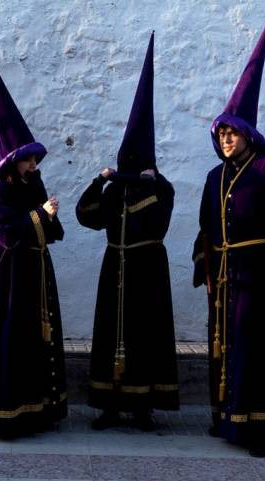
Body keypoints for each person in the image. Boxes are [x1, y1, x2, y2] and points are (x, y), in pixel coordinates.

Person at [192, 19, 265, 457]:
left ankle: (260, 429)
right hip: (224, 278)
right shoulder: (213, 176)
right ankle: (226, 418)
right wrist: (204, 266)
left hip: (259, 278)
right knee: (224, 349)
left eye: (233, 132)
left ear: (248, 134)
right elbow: (206, 226)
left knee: (256, 350)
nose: (226, 139)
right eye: (221, 133)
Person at [0, 27, 67, 438]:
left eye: (36, 160)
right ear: (12, 161)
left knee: (30, 345)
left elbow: (52, 233)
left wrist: (45, 212)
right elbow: (10, 234)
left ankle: (37, 411)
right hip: (3, 278)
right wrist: (41, 214)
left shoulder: (27, 187)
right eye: (28, 160)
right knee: (6, 340)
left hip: (31, 276)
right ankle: (1, 414)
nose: (33, 166)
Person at [76, 33, 179, 431]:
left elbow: (160, 223)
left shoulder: (160, 189)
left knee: (145, 335)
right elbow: (88, 217)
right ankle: (109, 404)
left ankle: (143, 407)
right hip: (115, 266)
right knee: (109, 335)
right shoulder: (115, 189)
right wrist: (97, 181)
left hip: (147, 267)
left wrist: (154, 183)